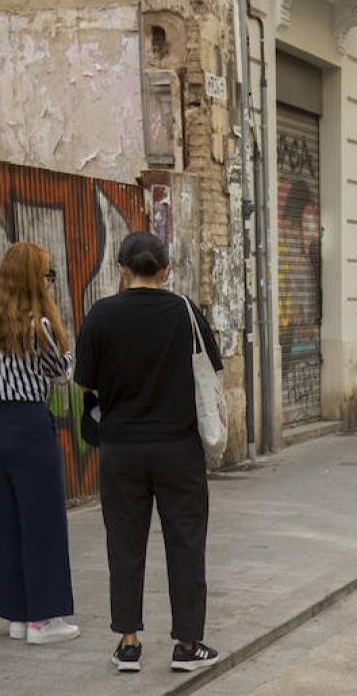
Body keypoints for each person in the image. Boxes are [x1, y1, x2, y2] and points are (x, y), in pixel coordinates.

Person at [74, 232, 223, 674]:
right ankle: (187, 644)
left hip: (121, 448)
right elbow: (211, 370)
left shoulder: (101, 315)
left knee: (124, 543)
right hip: (178, 448)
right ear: (166, 269)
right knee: (186, 543)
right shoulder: (184, 312)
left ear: (121, 268)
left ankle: (129, 643)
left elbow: (85, 382)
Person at [0, 242, 79, 645]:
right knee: (42, 522)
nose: (50, 282)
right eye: (47, 275)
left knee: (3, 522)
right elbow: (61, 373)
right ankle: (44, 619)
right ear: (33, 279)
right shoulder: (38, 323)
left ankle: (18, 616)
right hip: (30, 424)